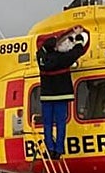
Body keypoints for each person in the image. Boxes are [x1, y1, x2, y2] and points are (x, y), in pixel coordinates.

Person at [36, 26, 90, 158]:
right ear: (55, 48)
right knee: (61, 123)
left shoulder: (41, 58)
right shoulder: (63, 58)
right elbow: (77, 51)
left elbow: (41, 50)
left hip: (47, 96)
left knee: (47, 124)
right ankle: (58, 149)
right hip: (62, 95)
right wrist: (77, 37)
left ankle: (50, 148)